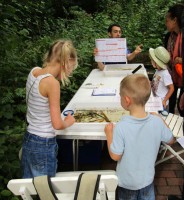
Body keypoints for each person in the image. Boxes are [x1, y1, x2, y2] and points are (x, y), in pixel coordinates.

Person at [104, 74, 175, 200]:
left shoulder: (121, 126)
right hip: (147, 181)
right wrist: (161, 120)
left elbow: (115, 156)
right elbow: (171, 140)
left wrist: (109, 134)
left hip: (126, 184)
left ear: (126, 100)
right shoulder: (156, 122)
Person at [21, 39, 78, 178]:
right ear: (66, 61)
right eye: (71, 66)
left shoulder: (34, 72)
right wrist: (69, 121)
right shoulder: (52, 83)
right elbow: (57, 124)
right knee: (45, 190)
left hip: (29, 139)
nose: (70, 70)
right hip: (43, 143)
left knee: (29, 187)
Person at [165, 4, 184, 115]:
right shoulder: (169, 36)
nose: (165, 23)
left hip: (182, 75)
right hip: (172, 74)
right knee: (170, 103)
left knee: (181, 107)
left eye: (167, 20)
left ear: (175, 20)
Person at [149, 46, 174, 112]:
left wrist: (165, 100)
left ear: (157, 62)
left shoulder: (165, 74)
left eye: (152, 60)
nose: (151, 61)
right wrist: (149, 82)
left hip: (161, 104)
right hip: (156, 101)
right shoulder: (158, 70)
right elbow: (156, 82)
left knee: (162, 120)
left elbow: (172, 88)